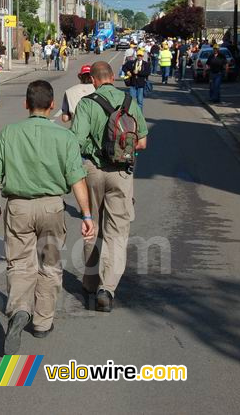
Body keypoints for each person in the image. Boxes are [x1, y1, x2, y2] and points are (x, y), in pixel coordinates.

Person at [0, 80, 93, 355]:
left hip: (19, 207)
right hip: (52, 207)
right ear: (53, 105)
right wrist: (86, 214)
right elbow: (77, 178)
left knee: (20, 264)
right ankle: (43, 322)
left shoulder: (9, 132)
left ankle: (20, 309)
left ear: (26, 104)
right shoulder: (65, 137)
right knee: (50, 264)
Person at [71, 62, 148, 313]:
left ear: (93, 80)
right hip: (121, 174)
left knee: (91, 226)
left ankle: (91, 282)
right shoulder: (129, 103)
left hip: (93, 171)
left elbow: (76, 142)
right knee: (116, 232)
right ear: (113, 77)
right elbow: (142, 142)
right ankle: (108, 288)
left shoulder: (86, 103)